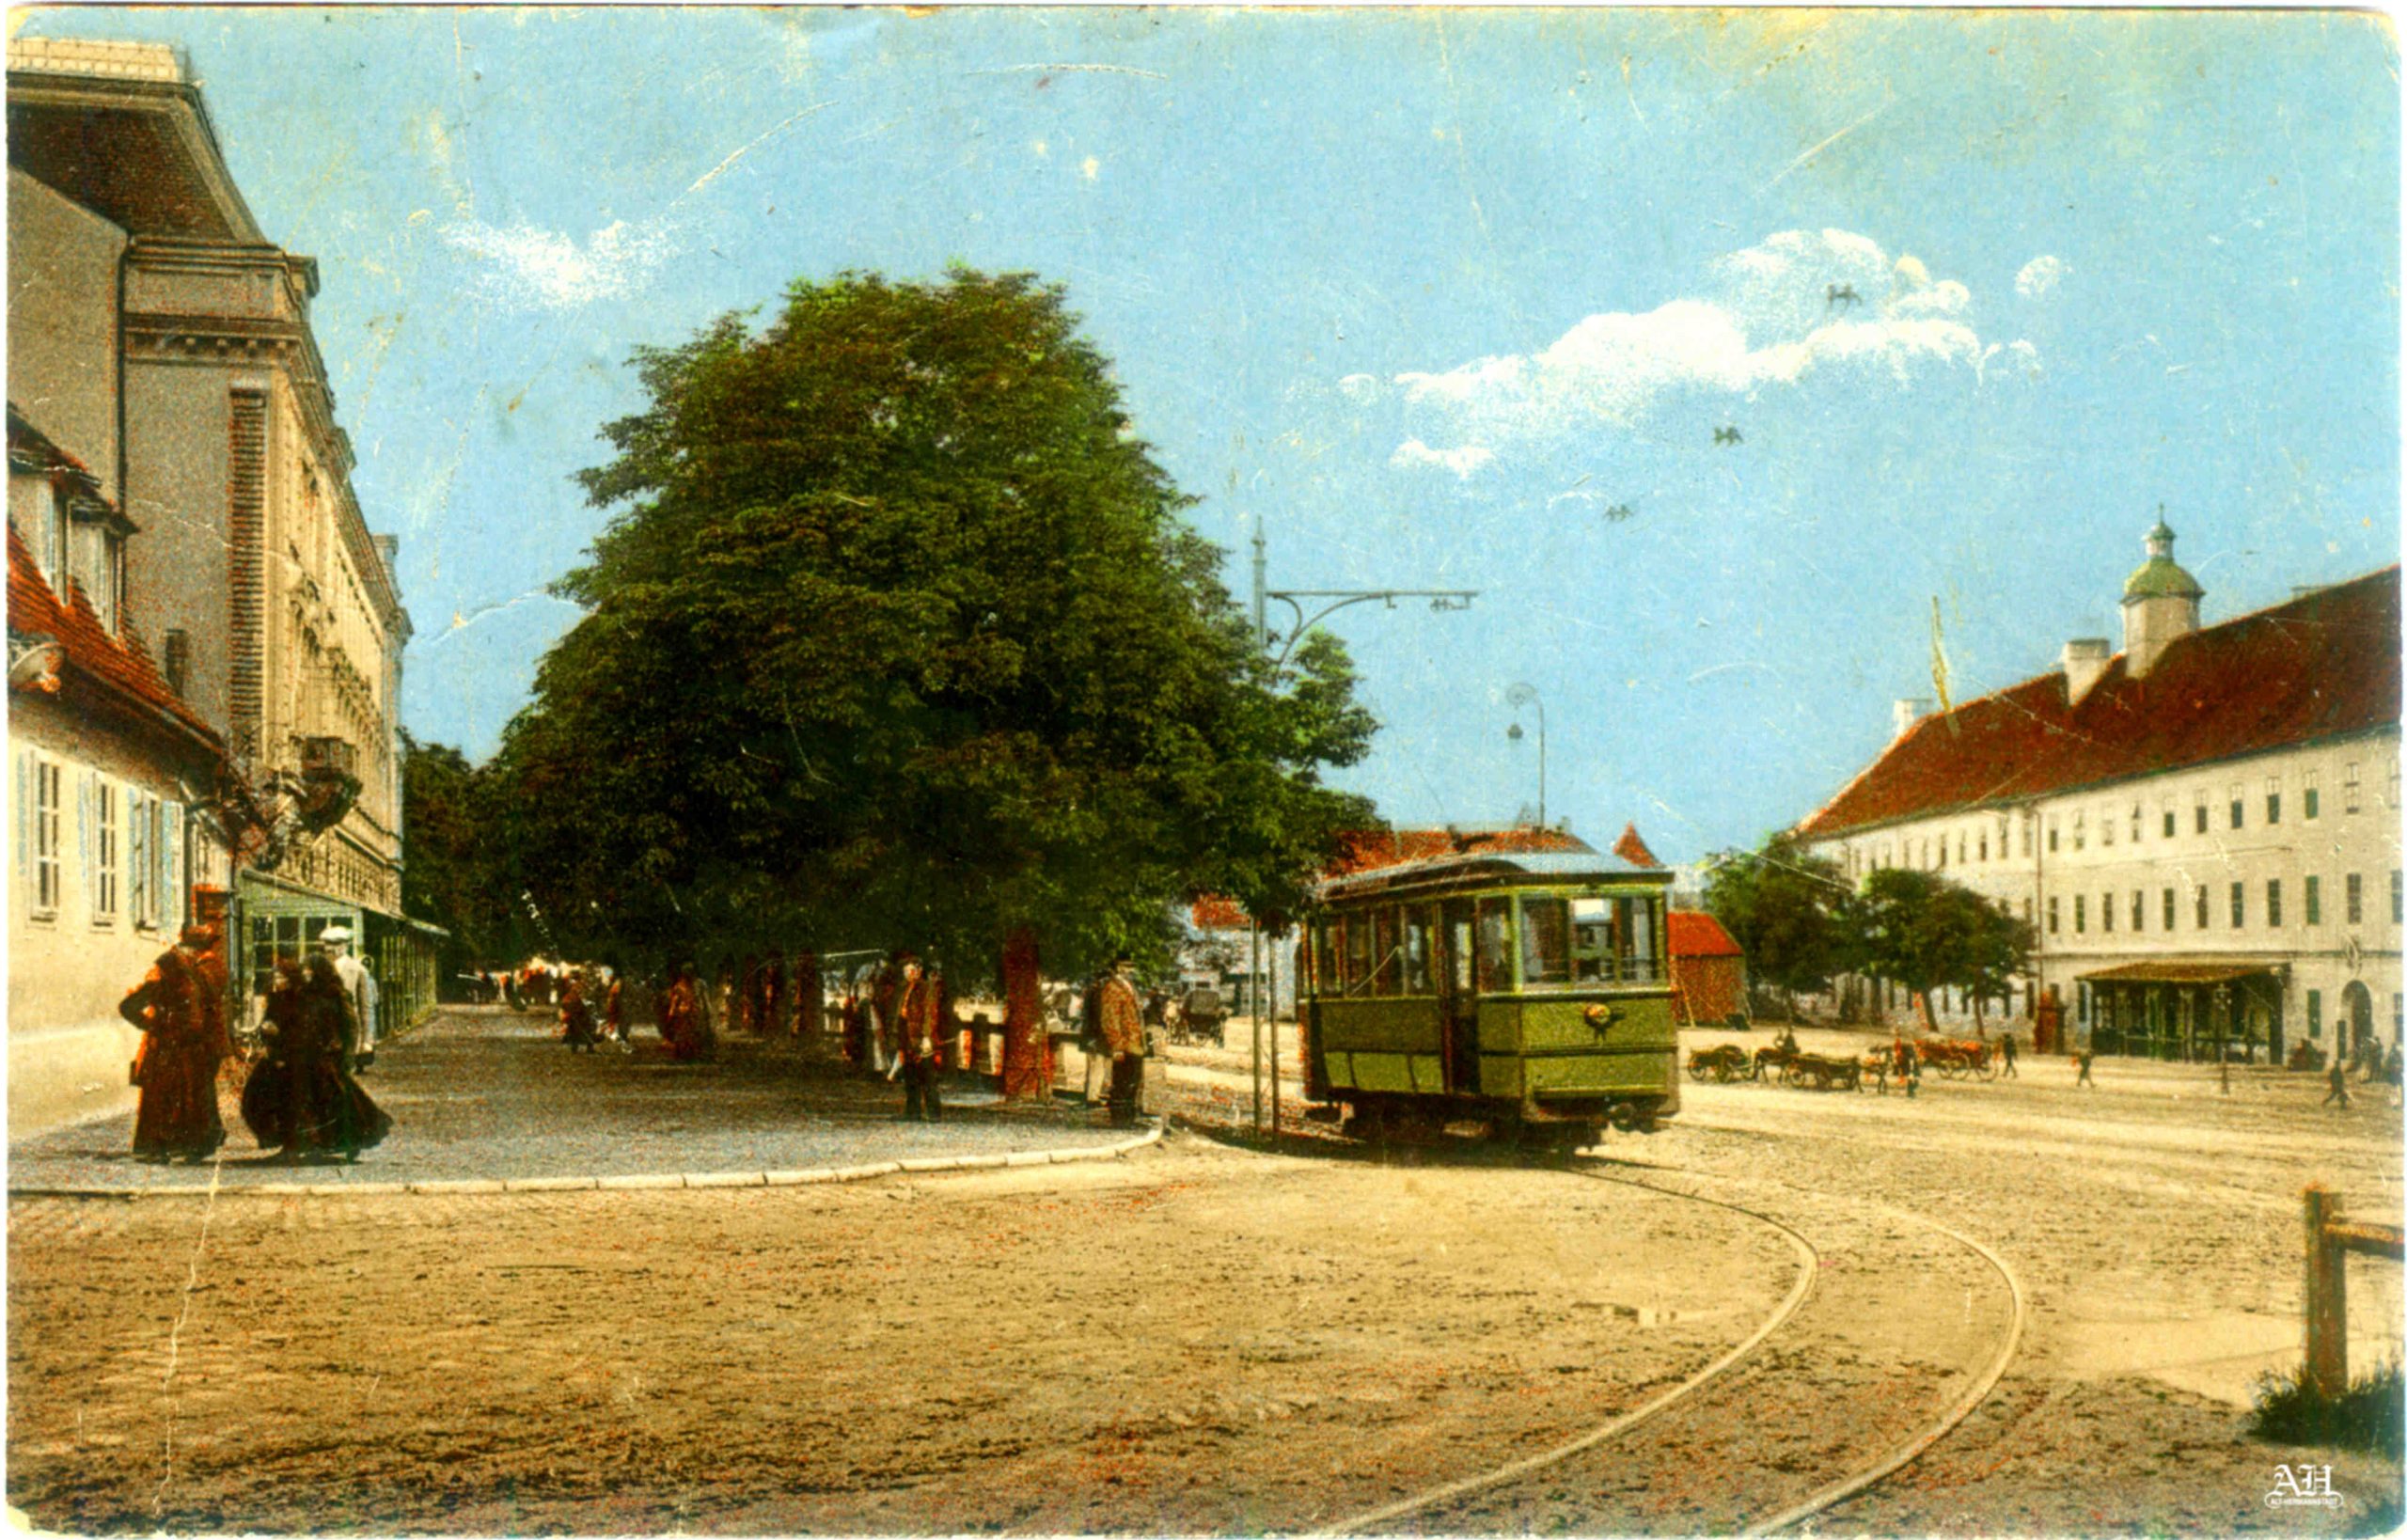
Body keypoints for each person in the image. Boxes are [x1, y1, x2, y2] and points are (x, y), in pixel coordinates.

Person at [119, 923, 233, 1163]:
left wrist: (154, 1025)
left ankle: (186, 1145)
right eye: (196, 948)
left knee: (187, 1096)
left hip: (189, 1046)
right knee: (174, 1096)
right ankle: (172, 1146)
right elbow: (129, 1006)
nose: (198, 954)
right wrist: (153, 1025)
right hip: (176, 1047)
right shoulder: (176, 972)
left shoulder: (198, 970)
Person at [1096, 954, 1146, 1127]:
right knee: (1122, 1083)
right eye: (1127, 966)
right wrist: (1116, 1046)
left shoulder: (1128, 986)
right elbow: (1110, 1019)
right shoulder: (1112, 988)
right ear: (1118, 967)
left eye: (1132, 967)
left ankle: (1128, 1118)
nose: (1131, 970)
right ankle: (1120, 1120)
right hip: (1124, 1044)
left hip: (1134, 1042)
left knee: (1132, 1081)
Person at [321, 924, 380, 1071]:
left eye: (335, 944)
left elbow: (366, 1007)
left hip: (348, 1032)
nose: (329, 948)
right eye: (327, 943)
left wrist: (367, 1040)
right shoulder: (320, 969)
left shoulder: (358, 970)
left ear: (344, 946)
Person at [893, 952, 943, 1122]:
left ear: (919, 970)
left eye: (912, 970)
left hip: (920, 1036)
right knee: (910, 1076)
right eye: (906, 971)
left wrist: (927, 1036)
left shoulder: (926, 988)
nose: (909, 974)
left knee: (927, 1076)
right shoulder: (905, 988)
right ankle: (912, 1112)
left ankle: (934, 1113)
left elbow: (930, 1013)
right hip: (907, 1035)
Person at [559, 972, 600, 1053]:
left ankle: (576, 1047)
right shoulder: (579, 987)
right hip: (580, 1011)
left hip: (579, 1011)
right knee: (586, 1029)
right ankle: (587, 1047)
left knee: (577, 1030)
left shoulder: (576, 987)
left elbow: (581, 999)